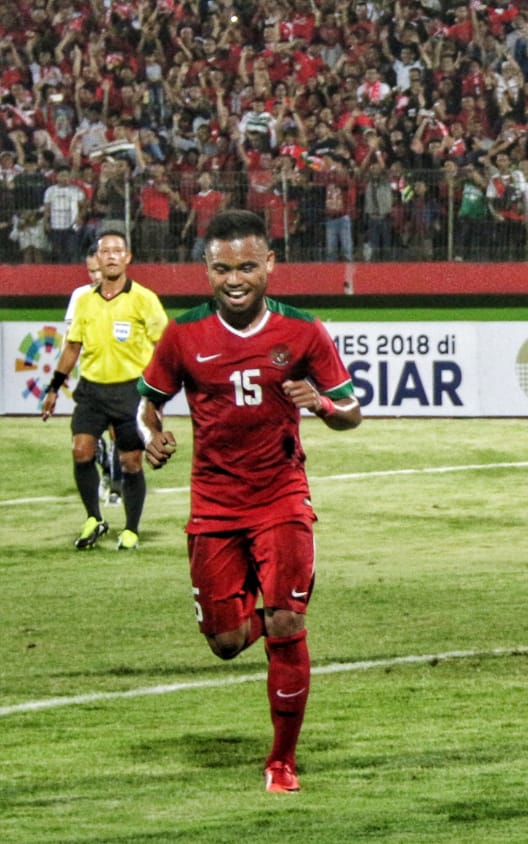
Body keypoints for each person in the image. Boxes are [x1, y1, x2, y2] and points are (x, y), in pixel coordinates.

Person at [137, 209, 362, 794]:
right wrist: (151, 437)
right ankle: (268, 621)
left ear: (269, 265)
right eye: (221, 268)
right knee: (226, 643)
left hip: (281, 496)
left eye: (246, 267)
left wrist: (320, 404)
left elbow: (352, 412)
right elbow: (148, 404)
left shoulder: (303, 331)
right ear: (205, 270)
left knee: (288, 624)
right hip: (213, 504)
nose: (234, 279)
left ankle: (281, 762)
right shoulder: (183, 334)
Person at [41, 227, 167, 550]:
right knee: (81, 450)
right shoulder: (84, 302)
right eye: (104, 251)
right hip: (92, 391)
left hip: (130, 392)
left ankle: (132, 530)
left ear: (127, 258)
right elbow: (72, 348)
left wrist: (157, 398)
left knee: (131, 463)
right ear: (97, 258)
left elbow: (165, 350)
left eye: (116, 251)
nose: (110, 256)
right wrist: (54, 388)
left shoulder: (145, 300)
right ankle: (93, 519)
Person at [64, 249, 123, 505]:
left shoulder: (127, 294)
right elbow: (71, 339)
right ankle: (108, 470)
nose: (95, 275)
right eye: (91, 271)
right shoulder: (80, 296)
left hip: (121, 376)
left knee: (117, 433)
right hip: (91, 377)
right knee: (86, 437)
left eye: (98, 269)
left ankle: (116, 489)